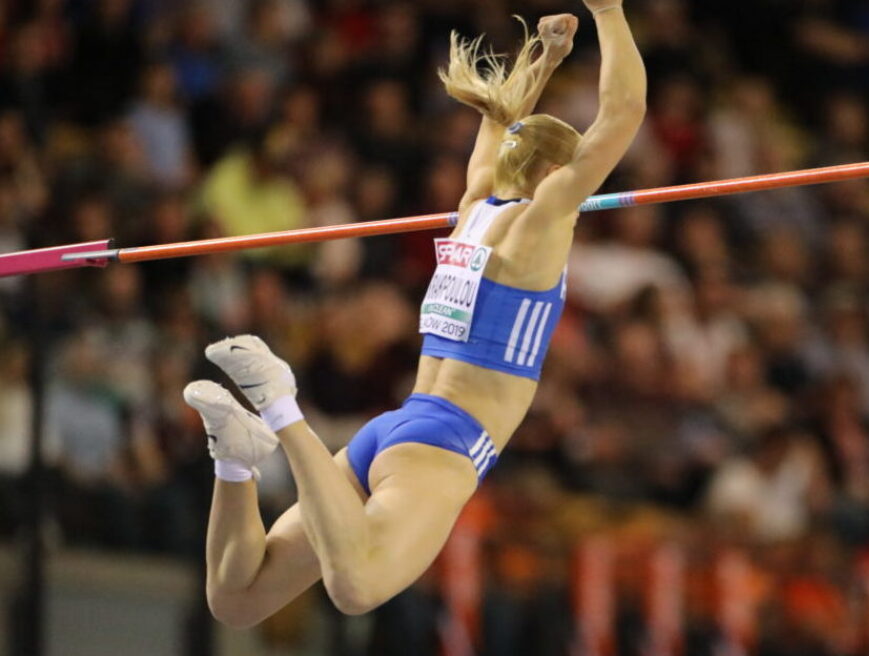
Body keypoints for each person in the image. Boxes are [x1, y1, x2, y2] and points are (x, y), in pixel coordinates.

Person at [183, 1, 646, 626]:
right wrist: (609, 11)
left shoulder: (475, 200)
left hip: (394, 430)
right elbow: (623, 114)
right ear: (562, 174)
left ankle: (235, 457)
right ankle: (282, 411)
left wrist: (544, 58)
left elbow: (499, 117)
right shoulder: (541, 223)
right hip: (446, 446)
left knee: (237, 600)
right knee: (357, 588)